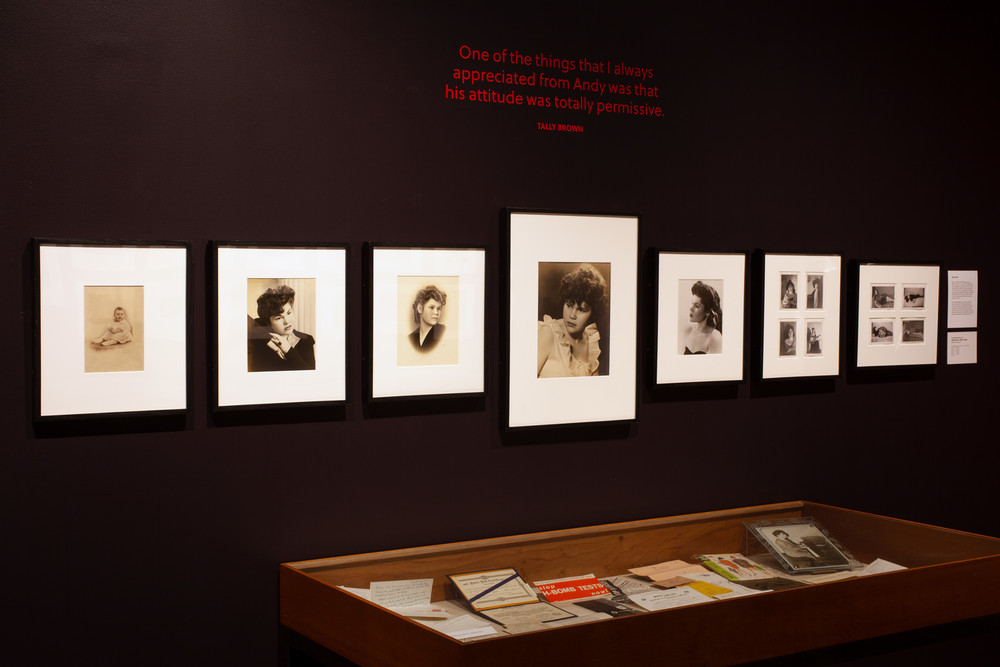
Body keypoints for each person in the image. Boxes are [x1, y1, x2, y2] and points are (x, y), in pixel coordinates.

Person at [537, 263, 608, 377]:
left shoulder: (591, 341)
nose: (572, 315)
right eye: (569, 305)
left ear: (593, 314)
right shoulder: (548, 333)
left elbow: (595, 386)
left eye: (582, 310)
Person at [248, 285, 315, 372]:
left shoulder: (306, 341)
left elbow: (310, 375)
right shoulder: (261, 340)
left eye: (289, 313)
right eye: (279, 318)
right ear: (268, 322)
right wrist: (268, 339)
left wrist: (288, 350)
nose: (287, 321)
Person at [683, 281, 722, 355]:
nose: (691, 309)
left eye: (697, 306)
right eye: (692, 303)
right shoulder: (688, 330)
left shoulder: (715, 337)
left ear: (707, 311)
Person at [408, 285, 447, 352]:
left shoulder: (443, 332)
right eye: (432, 307)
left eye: (439, 308)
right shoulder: (411, 338)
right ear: (420, 308)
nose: (436, 312)